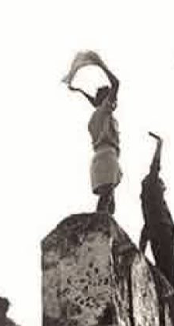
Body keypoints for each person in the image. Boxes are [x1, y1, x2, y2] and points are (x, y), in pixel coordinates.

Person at [67, 52, 121, 214]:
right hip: (107, 156)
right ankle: (97, 223)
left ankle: (101, 222)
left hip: (100, 158)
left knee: (109, 202)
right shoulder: (104, 111)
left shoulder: (96, 116)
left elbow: (95, 102)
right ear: (106, 100)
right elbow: (116, 83)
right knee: (106, 200)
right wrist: (101, 65)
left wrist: (80, 91)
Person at [139, 132, 174, 291]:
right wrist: (159, 146)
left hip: (162, 235)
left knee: (167, 276)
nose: (164, 188)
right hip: (163, 234)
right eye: (162, 185)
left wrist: (140, 252)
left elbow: (145, 229)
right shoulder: (153, 192)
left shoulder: (150, 206)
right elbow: (154, 167)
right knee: (170, 276)